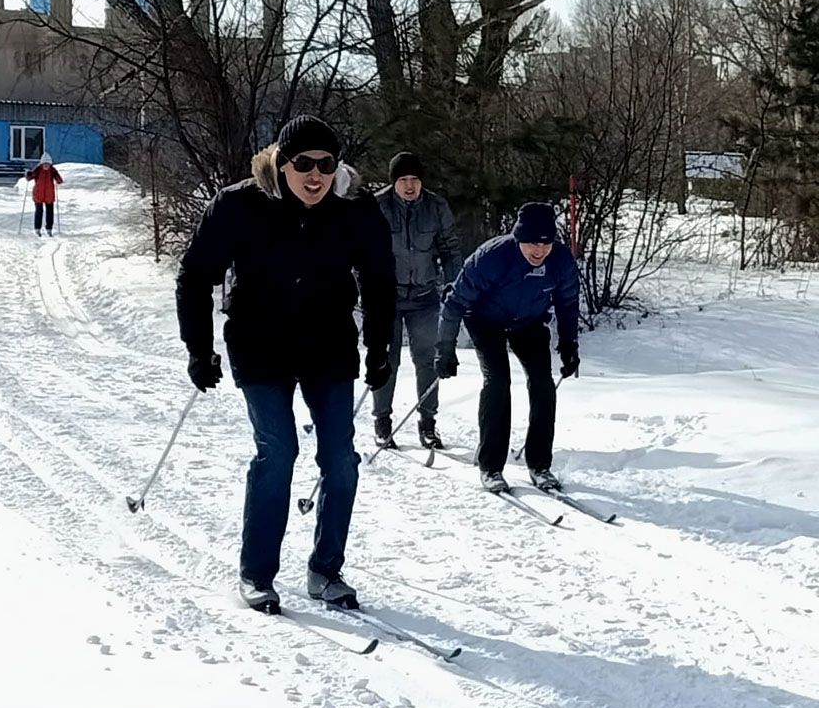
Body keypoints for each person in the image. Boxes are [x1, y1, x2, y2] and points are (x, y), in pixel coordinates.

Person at [176, 115, 395, 614]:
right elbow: (194, 276)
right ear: (281, 162)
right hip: (261, 344)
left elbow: (381, 283)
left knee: (341, 458)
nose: (314, 176)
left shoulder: (355, 210)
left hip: (328, 345)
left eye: (325, 164)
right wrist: (198, 347)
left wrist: (380, 349)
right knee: (278, 451)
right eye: (303, 164)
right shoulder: (239, 205)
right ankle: (257, 573)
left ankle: (326, 570)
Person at [433, 202, 580, 493]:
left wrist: (568, 344)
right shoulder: (492, 257)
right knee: (498, 382)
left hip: (529, 322)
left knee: (543, 384)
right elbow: (454, 303)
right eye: (531, 244)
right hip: (486, 321)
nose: (539, 251)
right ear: (518, 239)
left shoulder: (561, 262)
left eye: (546, 244)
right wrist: (444, 350)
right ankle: (491, 466)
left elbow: (567, 303)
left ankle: (539, 464)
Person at [372, 152, 462, 450]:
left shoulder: (436, 207)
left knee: (427, 360)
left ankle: (428, 423)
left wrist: (452, 284)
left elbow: (450, 249)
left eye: (415, 180)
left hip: (425, 296)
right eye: (403, 180)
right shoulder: (378, 207)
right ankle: (382, 421)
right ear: (393, 182)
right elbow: (363, 252)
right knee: (388, 360)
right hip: (389, 297)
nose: (410, 186)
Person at [26, 153, 63, 236]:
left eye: (48, 164)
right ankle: (37, 228)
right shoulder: (38, 170)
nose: (46, 166)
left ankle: (49, 228)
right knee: (39, 211)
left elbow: (59, 180)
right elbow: (29, 178)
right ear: (41, 164)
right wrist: (28, 174)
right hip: (38, 194)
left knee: (50, 212)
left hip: (49, 195)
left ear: (50, 164)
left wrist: (58, 178)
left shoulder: (53, 170)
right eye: (44, 164)